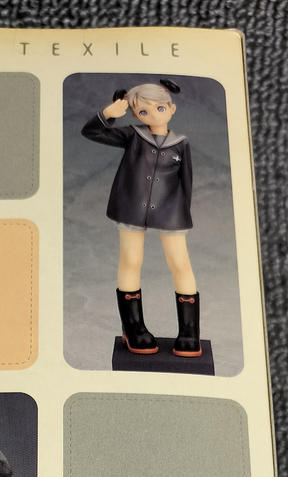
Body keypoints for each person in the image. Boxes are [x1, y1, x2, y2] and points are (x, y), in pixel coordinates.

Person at [81, 79, 202, 357]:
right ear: (136, 114)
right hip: (132, 208)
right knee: (131, 261)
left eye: (160, 108)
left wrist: (183, 214)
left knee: (180, 263)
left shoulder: (181, 144)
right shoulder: (133, 136)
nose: (153, 116)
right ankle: (134, 328)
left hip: (171, 211)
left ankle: (189, 332)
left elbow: (187, 182)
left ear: (171, 109)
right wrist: (108, 113)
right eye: (143, 112)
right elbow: (91, 131)